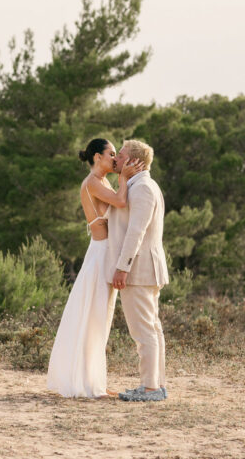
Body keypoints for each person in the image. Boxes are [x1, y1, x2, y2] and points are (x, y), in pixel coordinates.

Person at [47, 138, 142, 398]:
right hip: (100, 254)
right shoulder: (92, 183)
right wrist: (125, 178)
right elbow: (121, 203)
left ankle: (94, 380)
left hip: (104, 252)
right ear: (98, 157)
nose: (115, 159)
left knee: (101, 318)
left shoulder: (103, 182)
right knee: (95, 316)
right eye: (111, 154)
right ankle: (88, 384)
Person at [107, 140, 169, 402]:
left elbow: (136, 231)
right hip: (145, 269)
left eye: (120, 156)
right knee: (151, 328)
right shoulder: (142, 185)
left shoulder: (142, 188)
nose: (116, 161)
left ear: (133, 162)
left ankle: (150, 388)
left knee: (144, 330)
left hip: (140, 270)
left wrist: (122, 267)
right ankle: (155, 385)